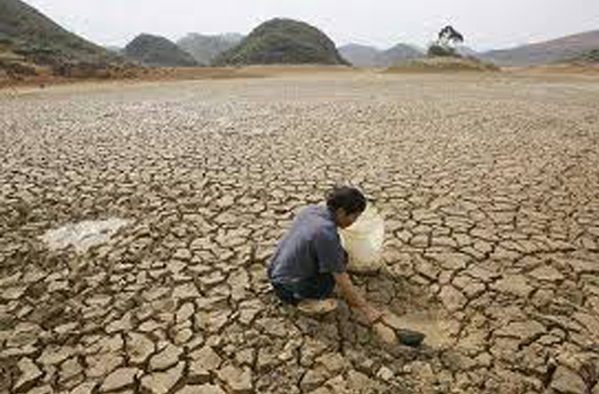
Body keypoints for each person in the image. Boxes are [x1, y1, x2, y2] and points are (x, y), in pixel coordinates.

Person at [267, 186, 382, 325]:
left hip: (275, 271)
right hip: (288, 287)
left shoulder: (310, 211)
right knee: (327, 282)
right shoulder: (326, 234)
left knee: (341, 255)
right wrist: (366, 309)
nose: (354, 221)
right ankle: (303, 301)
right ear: (340, 211)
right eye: (354, 216)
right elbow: (341, 279)